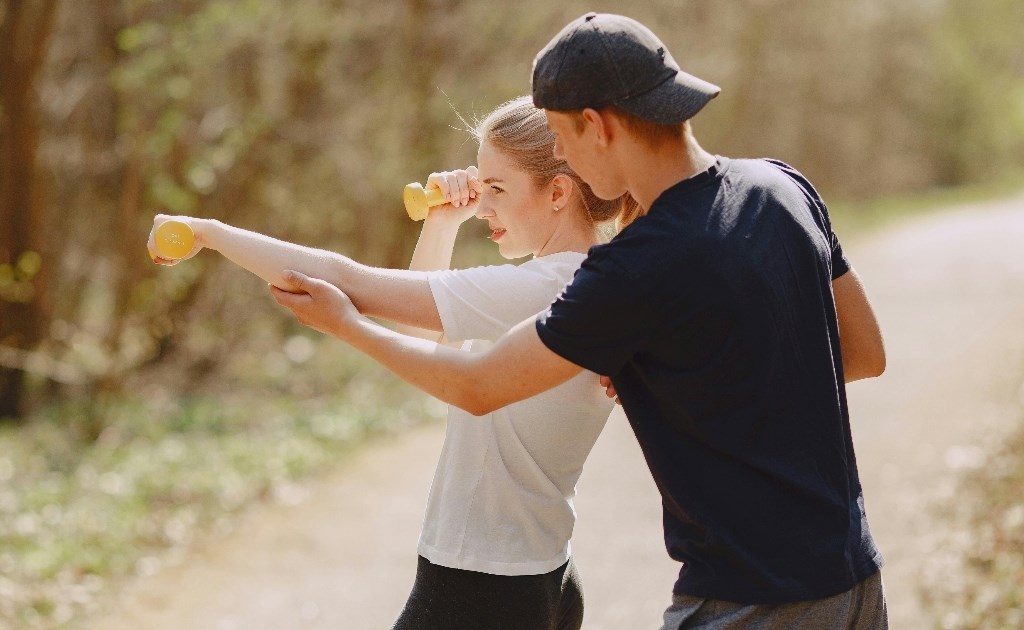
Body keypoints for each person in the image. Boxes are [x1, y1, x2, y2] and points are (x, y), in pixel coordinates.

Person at [268, 13, 889, 630]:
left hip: (750, 599)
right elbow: (863, 354)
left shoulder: (633, 269)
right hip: (853, 579)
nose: (559, 155)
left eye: (560, 136)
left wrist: (345, 323)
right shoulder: (783, 187)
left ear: (596, 125)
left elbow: (477, 384)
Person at [149, 96, 632, 629]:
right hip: (537, 576)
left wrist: (208, 233)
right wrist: (443, 223)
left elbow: (348, 282)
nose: (485, 207)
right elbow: (423, 332)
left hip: (480, 586)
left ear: (559, 191)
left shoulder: (543, 287)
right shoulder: (587, 280)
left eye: (498, 189)